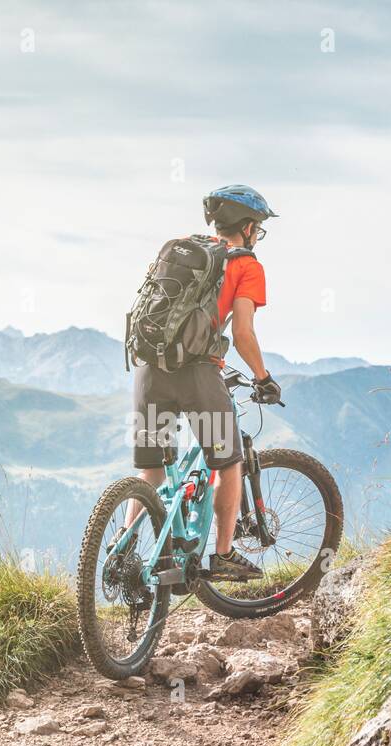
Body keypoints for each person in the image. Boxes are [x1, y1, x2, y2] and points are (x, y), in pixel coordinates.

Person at [132, 184, 283, 581]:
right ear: (248, 227)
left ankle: (126, 552)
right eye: (259, 228)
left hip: (149, 369)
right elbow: (245, 334)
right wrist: (263, 378)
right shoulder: (246, 265)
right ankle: (223, 555)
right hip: (198, 375)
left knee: (151, 471)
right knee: (228, 461)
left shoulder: (182, 249)